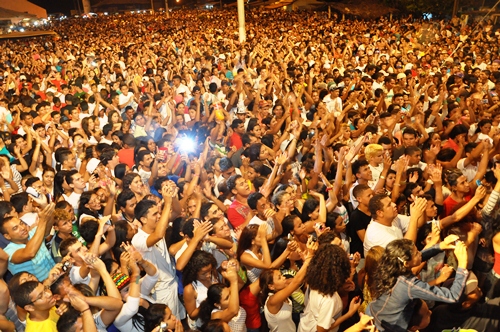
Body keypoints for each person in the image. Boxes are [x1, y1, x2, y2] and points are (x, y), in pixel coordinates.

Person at [367, 238, 468, 332]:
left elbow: (418, 258)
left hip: (372, 312)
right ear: (406, 263)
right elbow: (453, 297)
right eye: (416, 253)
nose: (420, 253)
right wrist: (462, 265)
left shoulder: (389, 266)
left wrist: (440, 246)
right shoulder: (408, 284)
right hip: (385, 327)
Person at [131, 185, 186, 320]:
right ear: (143, 219)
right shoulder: (138, 239)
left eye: (158, 213)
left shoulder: (157, 226)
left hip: (172, 283)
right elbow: (158, 235)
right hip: (161, 291)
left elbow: (178, 211)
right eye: (155, 214)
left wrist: (172, 197)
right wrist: (166, 204)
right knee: (171, 324)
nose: (159, 216)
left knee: (181, 322)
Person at [298, 243, 361, 332]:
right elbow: (321, 329)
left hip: (306, 325)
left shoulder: (315, 281)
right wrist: (349, 314)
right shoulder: (329, 300)